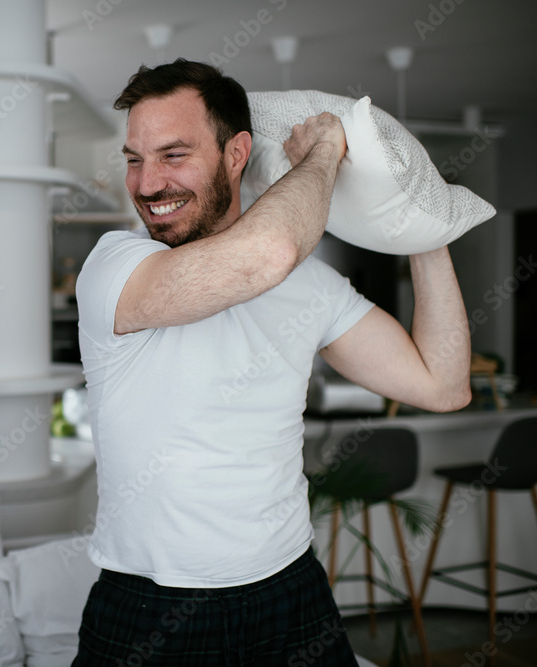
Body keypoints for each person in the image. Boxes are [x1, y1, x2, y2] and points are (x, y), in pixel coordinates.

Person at [72, 59, 471, 666]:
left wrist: (422, 226)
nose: (147, 184)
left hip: (290, 590)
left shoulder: (311, 288)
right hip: (150, 608)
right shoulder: (115, 265)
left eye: (173, 155)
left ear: (237, 154)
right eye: (134, 159)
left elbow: (442, 386)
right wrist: (325, 152)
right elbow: (269, 252)